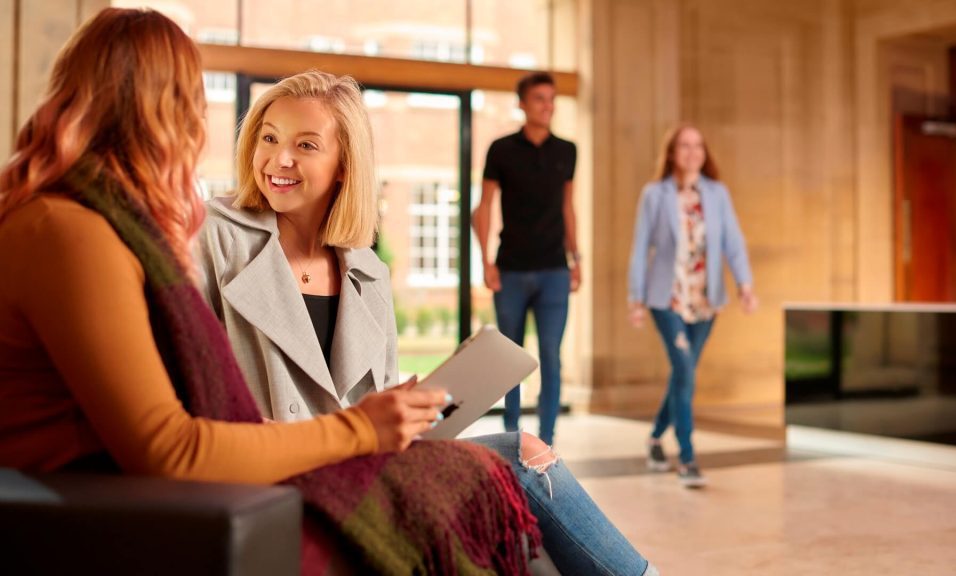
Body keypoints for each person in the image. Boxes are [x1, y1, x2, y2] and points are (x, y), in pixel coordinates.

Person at [0, 9, 544, 575]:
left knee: (508, 477)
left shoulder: (84, 224)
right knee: (499, 480)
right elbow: (173, 446)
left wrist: (386, 416)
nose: (199, 127)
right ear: (168, 116)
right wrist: (362, 428)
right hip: (114, 511)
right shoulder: (72, 232)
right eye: (193, 102)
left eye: (307, 145)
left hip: (150, 493)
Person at [196, 70, 658, 576]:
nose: (279, 159)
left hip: (363, 464)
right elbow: (200, 405)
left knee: (528, 469)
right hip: (286, 471)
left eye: (305, 145)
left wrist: (407, 409)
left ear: (345, 166)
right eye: (268, 137)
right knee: (518, 479)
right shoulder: (215, 242)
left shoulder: (366, 270)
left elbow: (376, 404)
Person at [627, 123, 758, 489]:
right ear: (672, 152)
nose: (691, 152)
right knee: (684, 369)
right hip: (666, 297)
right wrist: (634, 299)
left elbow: (734, 242)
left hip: (705, 298)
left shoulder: (717, 194)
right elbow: (641, 249)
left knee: (683, 374)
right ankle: (687, 457)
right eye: (684, 146)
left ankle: (655, 437)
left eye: (697, 145)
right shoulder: (655, 194)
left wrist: (745, 285)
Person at [471, 72, 579, 446]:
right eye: (539, 99)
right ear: (522, 103)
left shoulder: (567, 151)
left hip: (554, 271)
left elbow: (568, 208)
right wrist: (486, 262)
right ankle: (513, 437)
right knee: (511, 360)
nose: (547, 106)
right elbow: (482, 208)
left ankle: (546, 442)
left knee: (551, 355)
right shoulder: (501, 150)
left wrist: (575, 258)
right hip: (511, 271)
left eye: (551, 99)